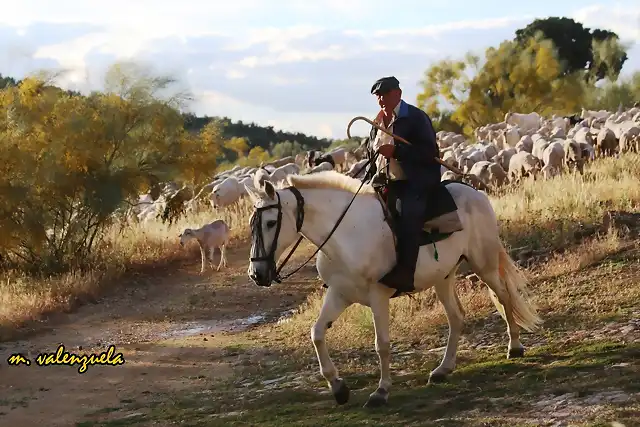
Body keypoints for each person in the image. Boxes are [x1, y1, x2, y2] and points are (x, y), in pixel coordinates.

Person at [364, 76, 441, 293]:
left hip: (415, 181)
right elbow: (371, 152)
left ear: (398, 93)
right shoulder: (376, 123)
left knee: (409, 216)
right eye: (378, 95)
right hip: (385, 182)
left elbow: (429, 153)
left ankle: (406, 273)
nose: (381, 99)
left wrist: (397, 151)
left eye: (385, 94)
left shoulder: (415, 118)